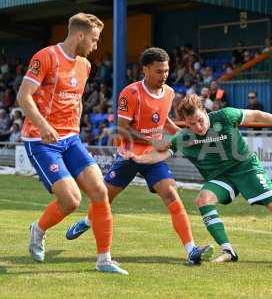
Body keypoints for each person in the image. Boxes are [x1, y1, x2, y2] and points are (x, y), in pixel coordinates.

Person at [130, 94, 272, 265]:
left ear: (205, 111)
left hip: (246, 168)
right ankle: (228, 251)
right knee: (203, 199)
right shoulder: (185, 137)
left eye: (200, 120)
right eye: (192, 124)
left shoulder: (226, 116)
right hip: (222, 178)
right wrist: (138, 159)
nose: (198, 127)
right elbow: (162, 154)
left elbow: (256, 114)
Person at [66, 48, 213, 265]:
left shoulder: (170, 93)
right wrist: (153, 140)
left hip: (153, 157)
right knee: (105, 199)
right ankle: (88, 220)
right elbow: (123, 128)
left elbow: (163, 121)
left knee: (171, 194)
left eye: (166, 70)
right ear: (145, 69)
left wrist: (179, 133)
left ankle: (191, 250)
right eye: (158, 71)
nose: (164, 75)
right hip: (129, 156)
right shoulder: (131, 93)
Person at [16, 13, 128, 274]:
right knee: (71, 201)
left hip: (70, 139)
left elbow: (75, 100)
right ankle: (39, 229)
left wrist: (74, 131)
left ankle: (104, 260)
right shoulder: (45, 57)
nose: (96, 45)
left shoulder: (85, 65)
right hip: (40, 140)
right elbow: (24, 96)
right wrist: (44, 126)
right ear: (80, 35)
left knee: (100, 192)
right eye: (94, 39)